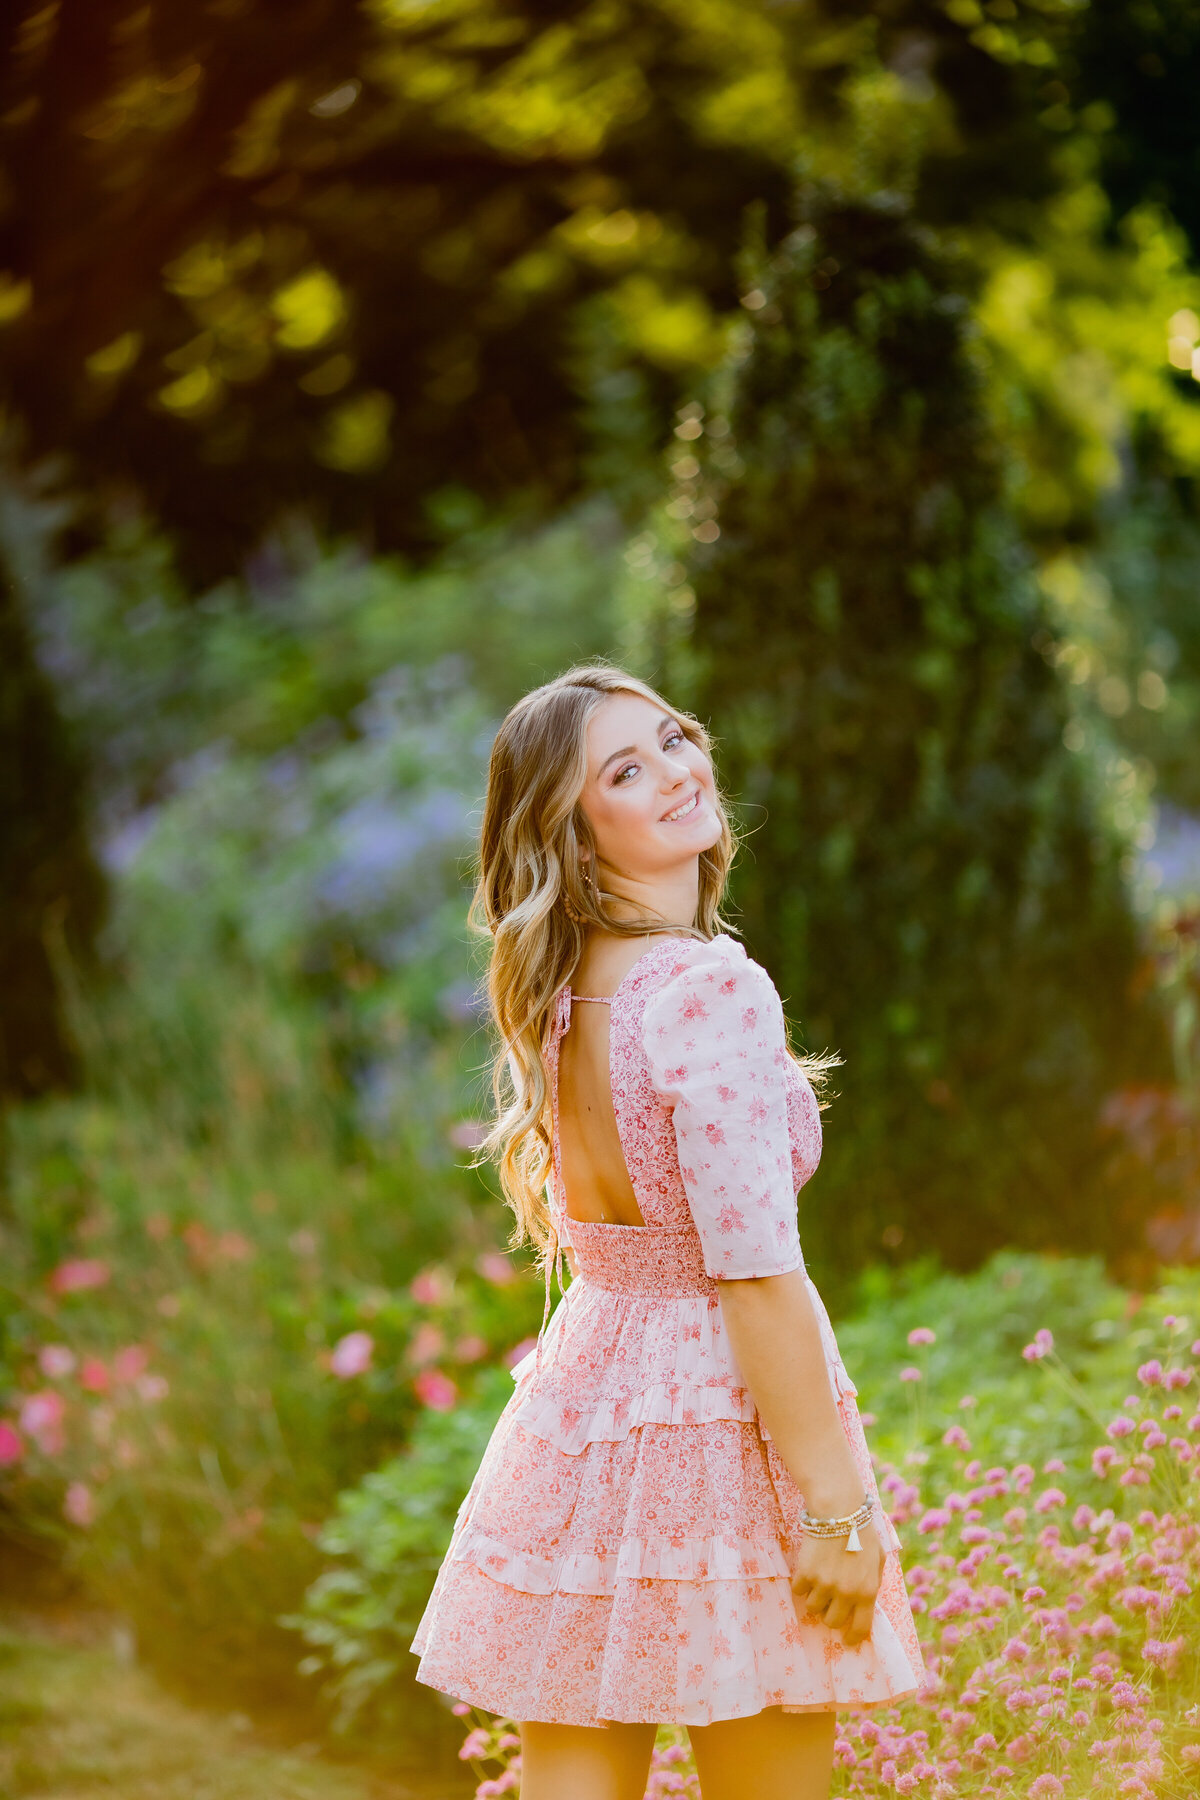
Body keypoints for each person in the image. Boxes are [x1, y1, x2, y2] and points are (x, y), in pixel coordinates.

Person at [411, 665, 927, 1798]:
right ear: (575, 828)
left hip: (591, 1401)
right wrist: (836, 1510)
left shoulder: (565, 991)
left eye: (674, 739)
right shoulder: (707, 992)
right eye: (627, 770)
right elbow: (749, 1276)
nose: (682, 772)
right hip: (717, 1421)